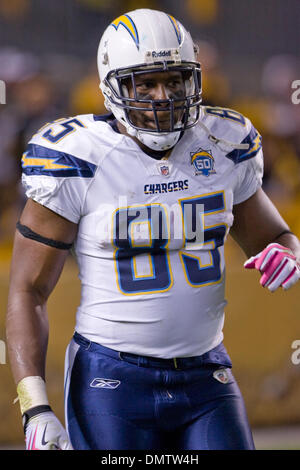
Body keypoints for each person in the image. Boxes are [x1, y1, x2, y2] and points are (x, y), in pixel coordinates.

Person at [6, 8, 300, 451]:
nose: (163, 96)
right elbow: (27, 290)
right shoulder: (77, 157)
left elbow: (276, 237)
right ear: (112, 85)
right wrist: (35, 407)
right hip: (110, 378)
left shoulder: (223, 142)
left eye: (175, 80)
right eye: (145, 83)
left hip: (207, 375)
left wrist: (289, 251)